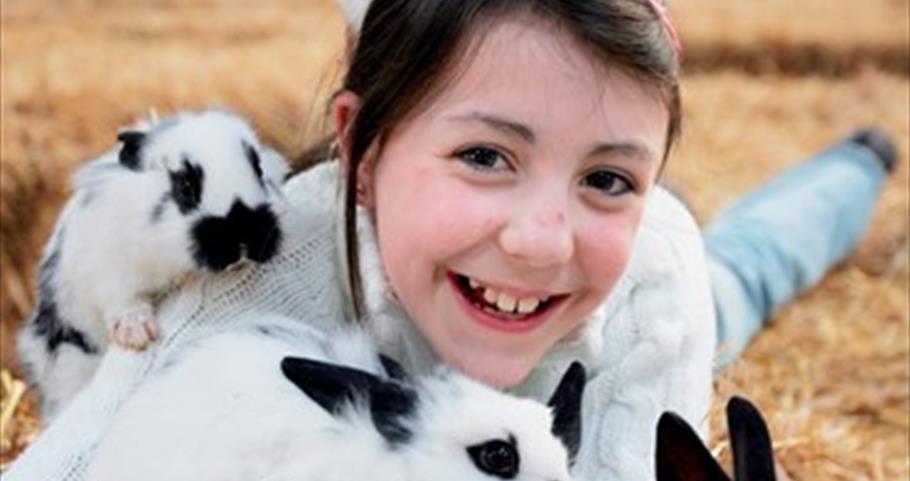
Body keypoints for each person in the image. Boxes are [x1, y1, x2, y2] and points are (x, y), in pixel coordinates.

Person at [6, 1, 897, 480]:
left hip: (626, 300)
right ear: (361, 146)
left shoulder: (652, 277)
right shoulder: (245, 282)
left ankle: (860, 161)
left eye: (609, 174)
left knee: (752, 263)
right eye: (484, 155)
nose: (543, 238)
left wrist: (634, 229)